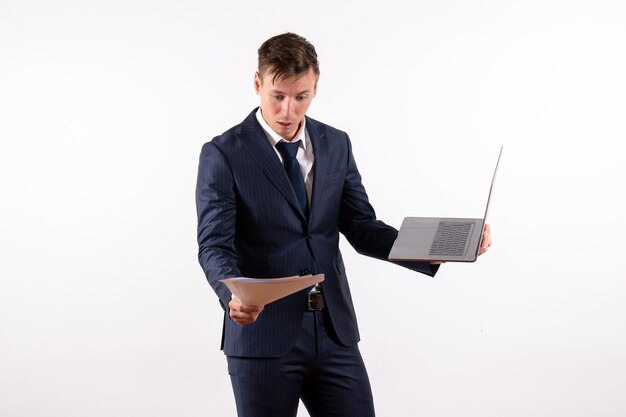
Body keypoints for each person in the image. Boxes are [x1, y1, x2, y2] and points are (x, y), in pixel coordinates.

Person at [196, 32, 492, 417]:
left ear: (315, 86)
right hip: (262, 336)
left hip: (334, 332)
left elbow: (362, 227)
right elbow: (213, 245)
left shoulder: (335, 143)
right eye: (278, 96)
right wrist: (231, 294)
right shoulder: (223, 153)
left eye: (301, 96)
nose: (288, 111)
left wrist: (443, 248)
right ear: (257, 84)